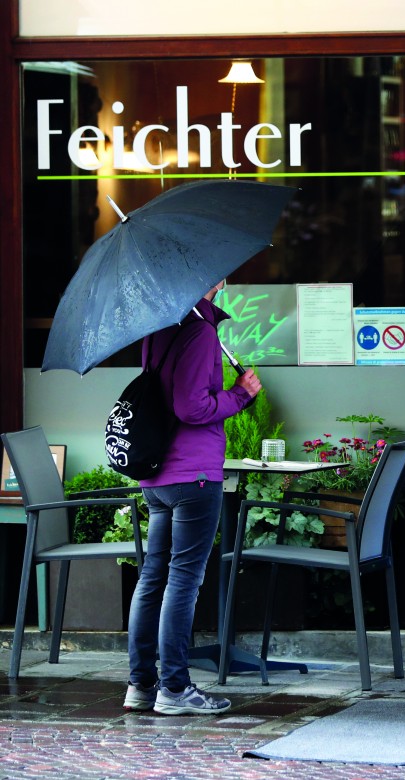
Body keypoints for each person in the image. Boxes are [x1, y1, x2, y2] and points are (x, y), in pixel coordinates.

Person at [123, 280, 261, 716]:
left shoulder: (159, 327)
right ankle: (175, 688)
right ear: (214, 280)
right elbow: (191, 408)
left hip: (159, 476)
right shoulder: (200, 331)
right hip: (194, 476)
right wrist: (242, 394)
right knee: (183, 581)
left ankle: (141, 686)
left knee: (152, 579)